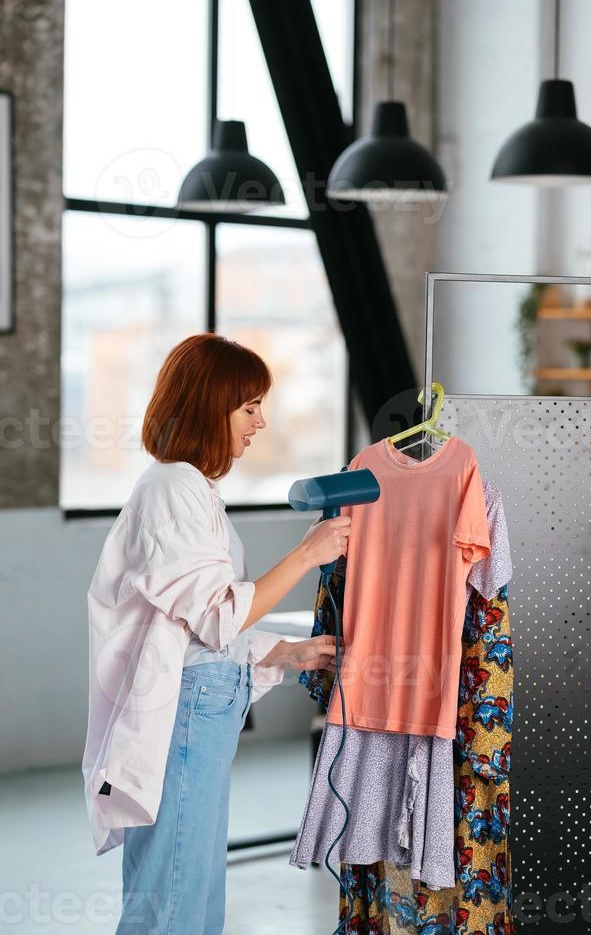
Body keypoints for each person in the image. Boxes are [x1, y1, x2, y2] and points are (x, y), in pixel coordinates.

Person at [81, 333, 350, 934]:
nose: (260, 422)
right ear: (210, 406)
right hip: (185, 715)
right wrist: (308, 554)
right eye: (249, 406)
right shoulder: (172, 487)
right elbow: (217, 616)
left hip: (200, 710)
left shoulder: (193, 489)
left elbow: (194, 629)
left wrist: (287, 653)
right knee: (174, 903)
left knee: (194, 901)